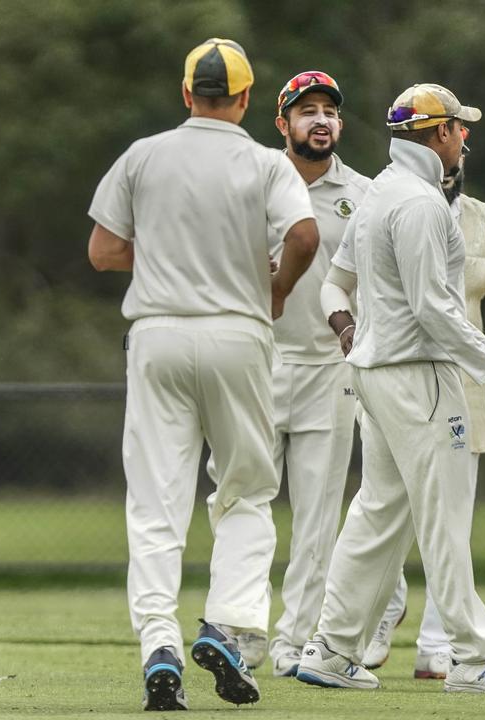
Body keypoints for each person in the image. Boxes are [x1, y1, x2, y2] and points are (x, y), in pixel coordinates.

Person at [87, 38, 320, 710]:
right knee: (245, 491)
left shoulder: (143, 156)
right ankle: (225, 624)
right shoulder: (264, 164)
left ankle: (158, 643)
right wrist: (275, 287)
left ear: (187, 93)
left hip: (158, 333)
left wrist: (165, 259)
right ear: (247, 99)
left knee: (156, 502)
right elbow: (304, 236)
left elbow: (102, 251)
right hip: (238, 333)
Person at [294, 83, 485, 694]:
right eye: (460, 127)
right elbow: (437, 310)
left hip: (376, 378)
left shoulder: (378, 193)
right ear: (438, 134)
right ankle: (474, 656)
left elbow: (352, 286)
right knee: (445, 513)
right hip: (421, 378)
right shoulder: (423, 205)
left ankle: (330, 649)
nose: (466, 138)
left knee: (379, 512)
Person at [361, 147, 485, 681]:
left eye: (460, 150)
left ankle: (438, 645)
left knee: (449, 516)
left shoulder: (483, 219)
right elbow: (429, 307)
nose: (454, 161)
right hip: (414, 371)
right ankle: (376, 624)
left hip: (466, 378)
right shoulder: (403, 204)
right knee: (390, 511)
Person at [242, 70, 372, 679]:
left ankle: (295, 643)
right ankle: (242, 631)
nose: (320, 121)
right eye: (306, 111)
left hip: (331, 368)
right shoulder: (252, 181)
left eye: (329, 112)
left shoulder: (365, 194)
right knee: (246, 504)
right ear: (282, 124)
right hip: (256, 362)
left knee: (319, 516)